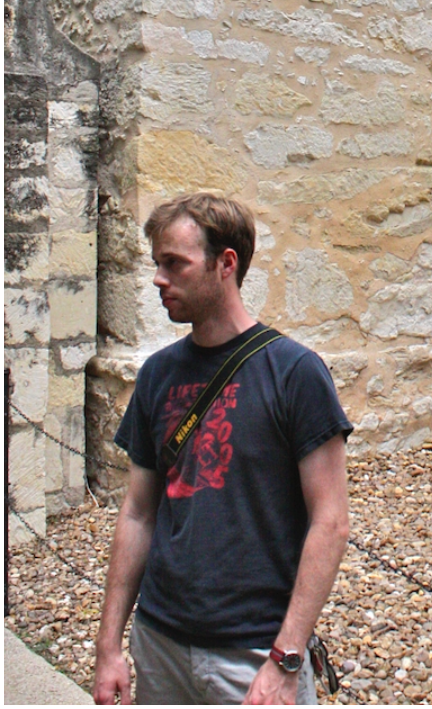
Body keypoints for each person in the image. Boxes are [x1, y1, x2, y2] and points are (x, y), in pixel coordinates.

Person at [92, 194, 352, 705]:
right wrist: (109, 646)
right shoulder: (157, 375)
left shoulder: (295, 373)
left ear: (225, 264)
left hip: (254, 654)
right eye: (157, 264)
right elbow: (139, 514)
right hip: (159, 642)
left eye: (175, 263)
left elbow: (332, 522)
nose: (158, 279)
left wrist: (286, 657)